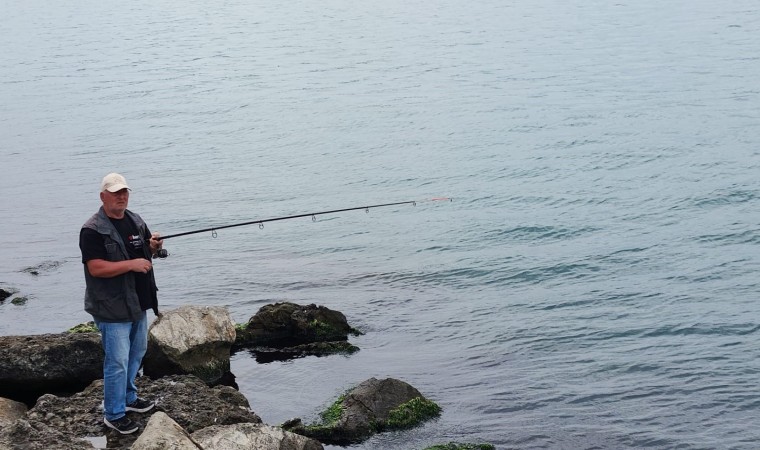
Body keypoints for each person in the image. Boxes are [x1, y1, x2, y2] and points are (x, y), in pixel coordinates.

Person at [79, 173, 162, 434]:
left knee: (137, 353)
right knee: (117, 361)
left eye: (125, 192)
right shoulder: (92, 229)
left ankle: (129, 398)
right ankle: (113, 413)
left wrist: (153, 248)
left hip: (138, 302)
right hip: (111, 307)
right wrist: (132, 264)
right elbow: (96, 268)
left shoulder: (135, 220)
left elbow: (144, 254)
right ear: (103, 196)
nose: (122, 197)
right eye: (116, 193)